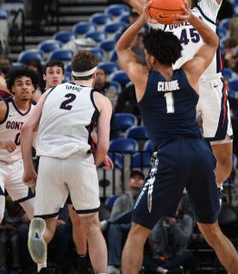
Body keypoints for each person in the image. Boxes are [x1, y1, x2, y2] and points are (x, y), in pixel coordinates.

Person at [80, 0, 238, 192]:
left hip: (209, 86)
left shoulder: (205, 9)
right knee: (177, 150)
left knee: (225, 160)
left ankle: (212, 188)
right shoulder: (159, 17)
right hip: (179, 86)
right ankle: (177, 191)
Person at [115, 0, 238, 274]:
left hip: (170, 155)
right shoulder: (192, 72)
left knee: (137, 231)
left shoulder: (141, 77)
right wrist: (193, 18)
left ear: (150, 57)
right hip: (199, 153)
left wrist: (142, 19)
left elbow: (121, 48)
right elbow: (213, 42)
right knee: (212, 230)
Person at [21, 50, 112, 274]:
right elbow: (103, 146)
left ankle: (41, 266)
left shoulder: (51, 92)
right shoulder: (100, 100)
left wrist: (28, 169)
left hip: (48, 162)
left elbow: (25, 128)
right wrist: (91, 167)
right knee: (91, 226)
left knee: (47, 226)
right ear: (94, 74)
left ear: (71, 73)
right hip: (78, 160)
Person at [0, 68, 37, 225]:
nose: (24, 87)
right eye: (19, 84)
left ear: (33, 88)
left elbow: (36, 142)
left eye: (28, 84)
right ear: (12, 89)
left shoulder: (36, 112)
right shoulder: (3, 108)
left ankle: (37, 246)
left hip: (17, 167)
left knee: (39, 217)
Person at [107, 170, 145, 274]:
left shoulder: (146, 200)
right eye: (134, 178)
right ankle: (114, 266)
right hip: (125, 228)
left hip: (140, 228)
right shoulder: (121, 199)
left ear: (144, 183)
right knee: (114, 226)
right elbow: (114, 217)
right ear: (129, 182)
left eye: (140, 178)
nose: (137, 180)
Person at [143, 199, 194, 274]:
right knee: (140, 257)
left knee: (188, 255)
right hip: (160, 258)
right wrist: (160, 220)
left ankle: (160, 270)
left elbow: (184, 240)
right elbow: (155, 239)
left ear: (179, 205)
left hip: (177, 258)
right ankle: (167, 271)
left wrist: (173, 223)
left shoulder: (186, 219)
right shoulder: (158, 219)